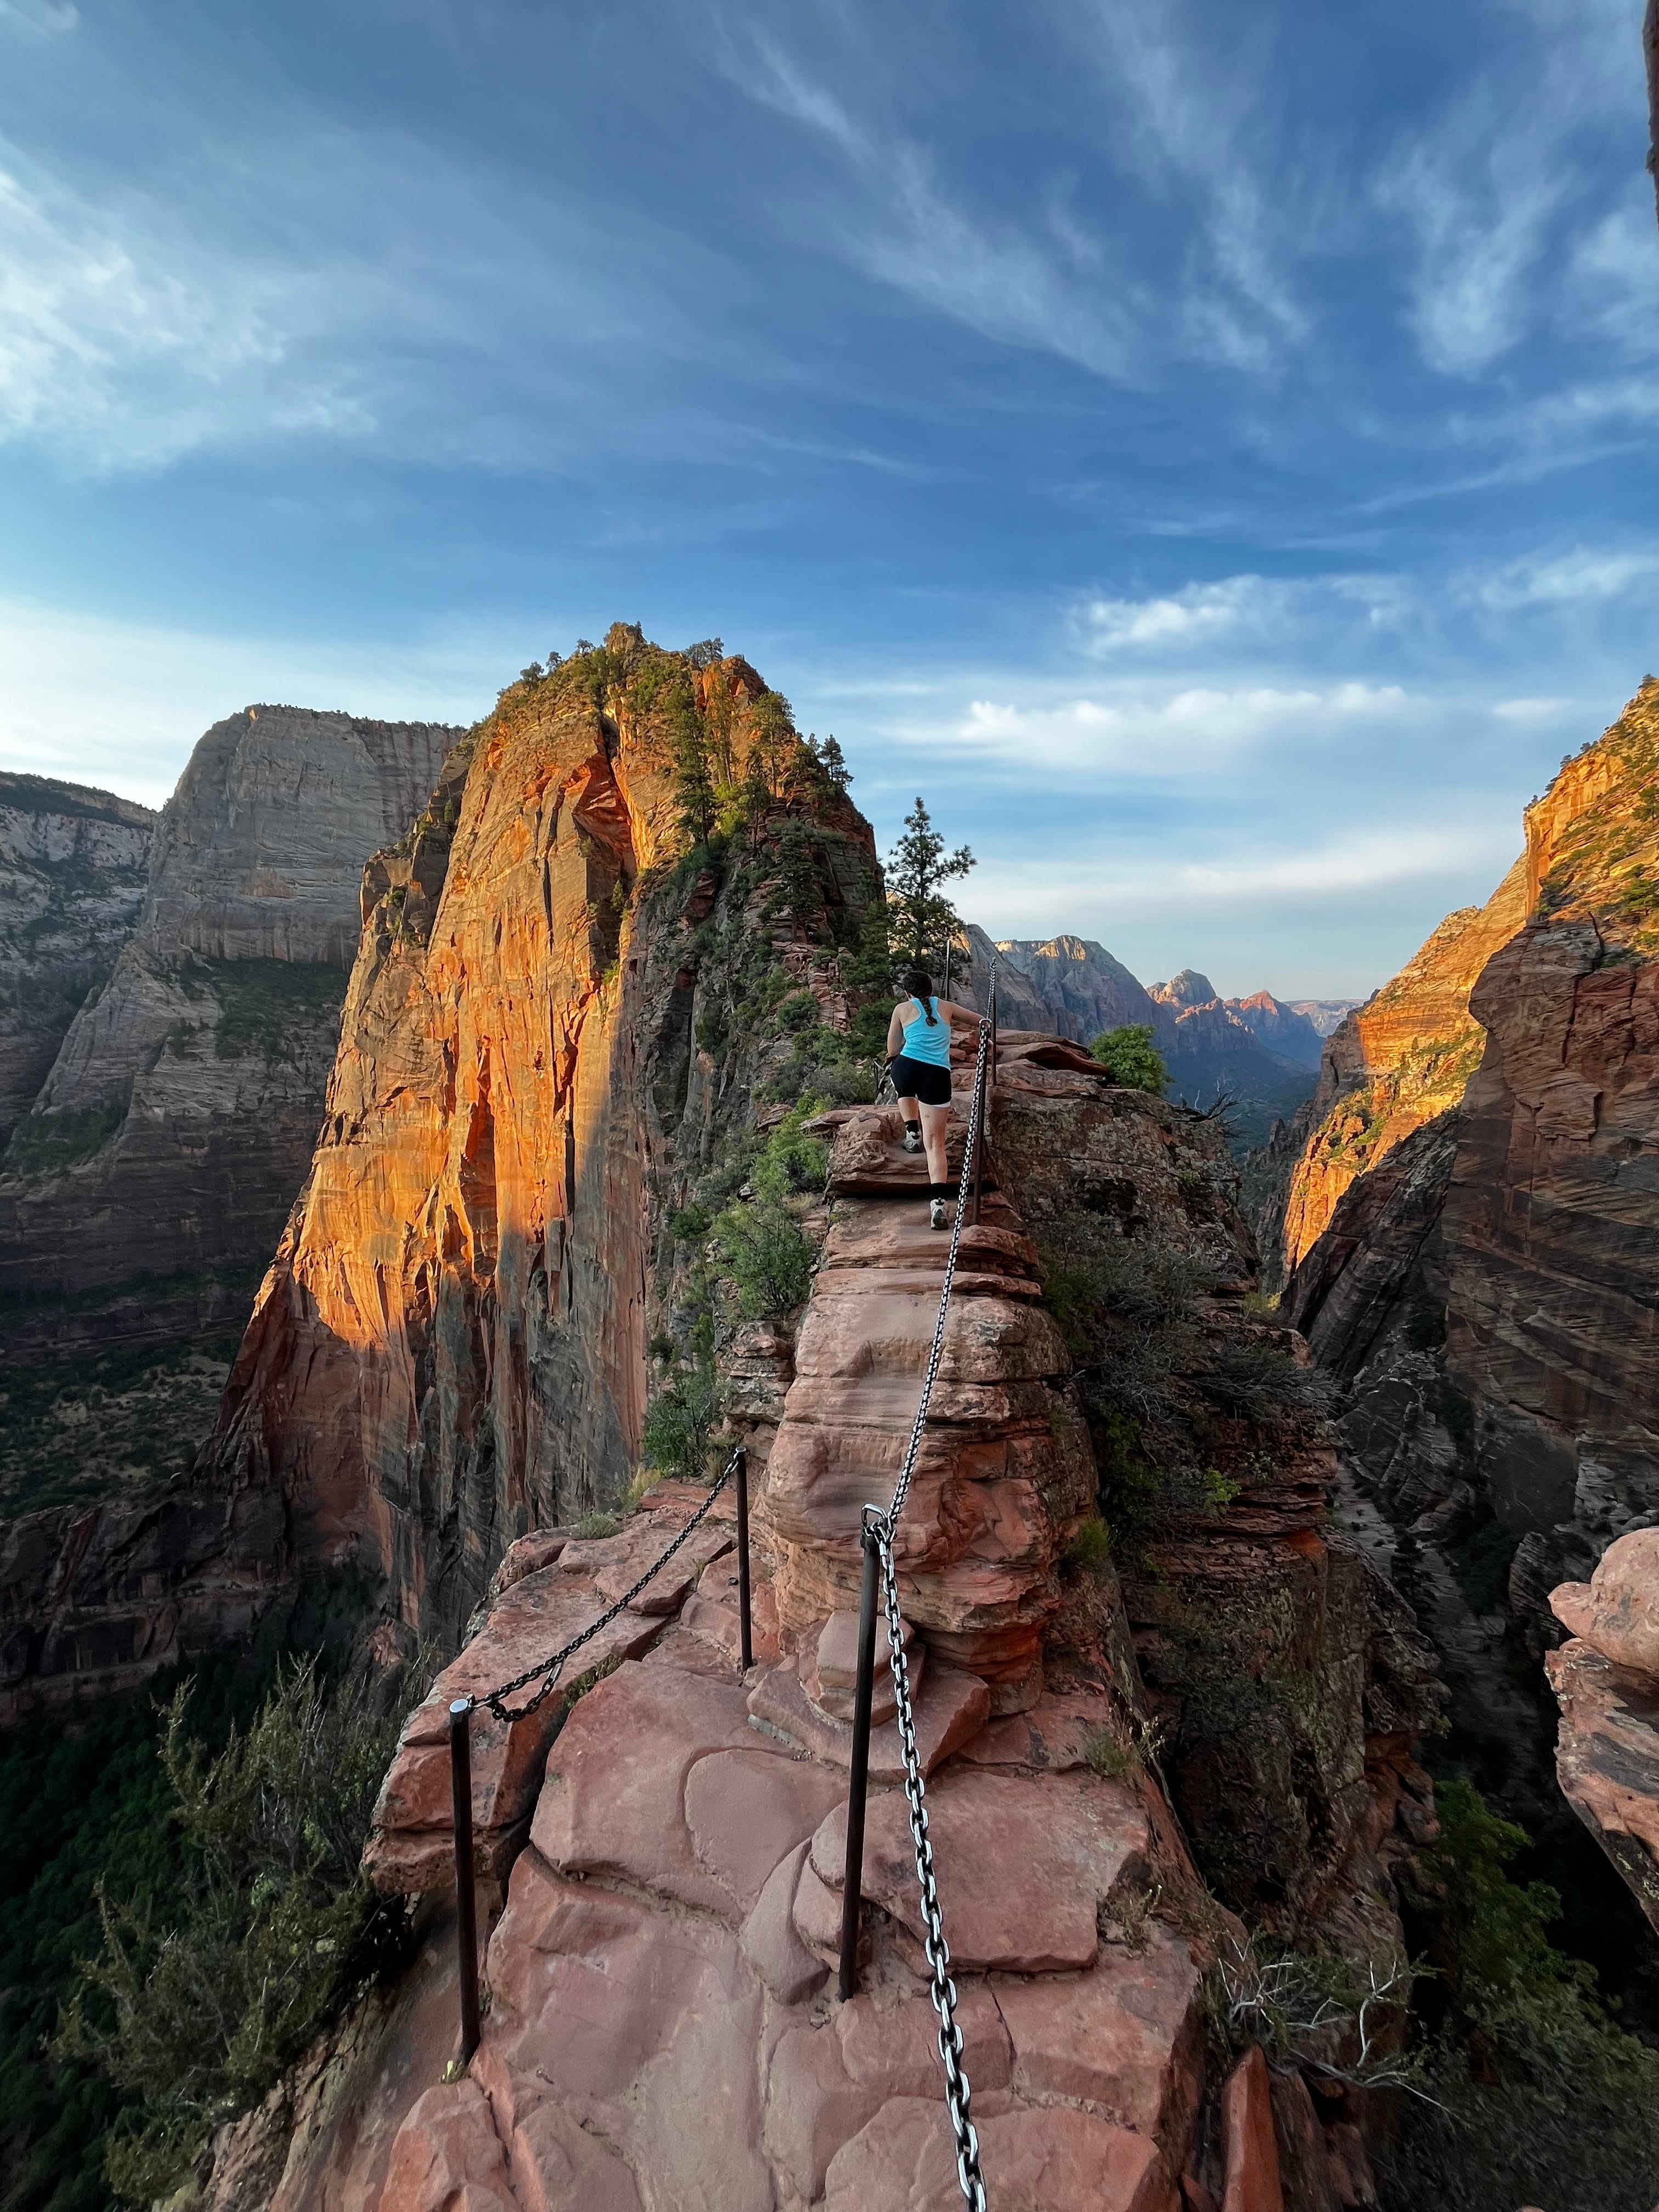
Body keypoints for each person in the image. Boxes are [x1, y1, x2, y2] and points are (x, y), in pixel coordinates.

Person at [885, 967, 979, 1228]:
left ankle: (911, 1132)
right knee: (936, 1143)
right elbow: (982, 1022)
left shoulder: (901, 1010)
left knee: (901, 1081)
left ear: (908, 993)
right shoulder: (947, 1008)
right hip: (937, 1074)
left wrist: (897, 1056)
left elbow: (892, 1049)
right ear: (931, 989)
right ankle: (938, 1203)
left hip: (907, 1066)